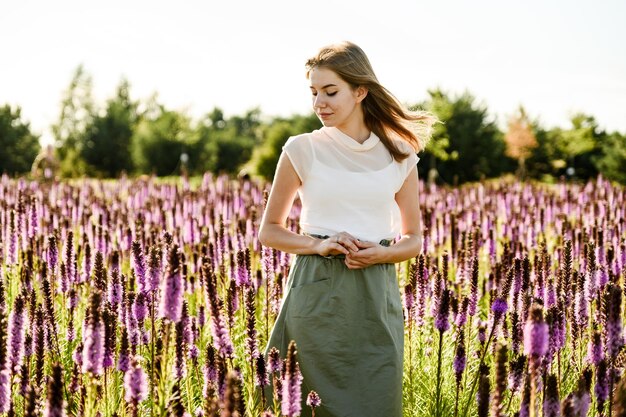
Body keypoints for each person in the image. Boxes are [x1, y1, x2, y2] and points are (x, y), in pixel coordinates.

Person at [258, 41, 436, 417]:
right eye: (314, 92)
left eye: (330, 91)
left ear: (360, 91)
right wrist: (317, 246)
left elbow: (414, 239)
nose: (319, 102)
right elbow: (270, 231)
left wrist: (385, 253)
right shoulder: (301, 149)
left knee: (377, 402)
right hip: (316, 290)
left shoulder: (400, 153)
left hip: (375, 293)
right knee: (307, 403)